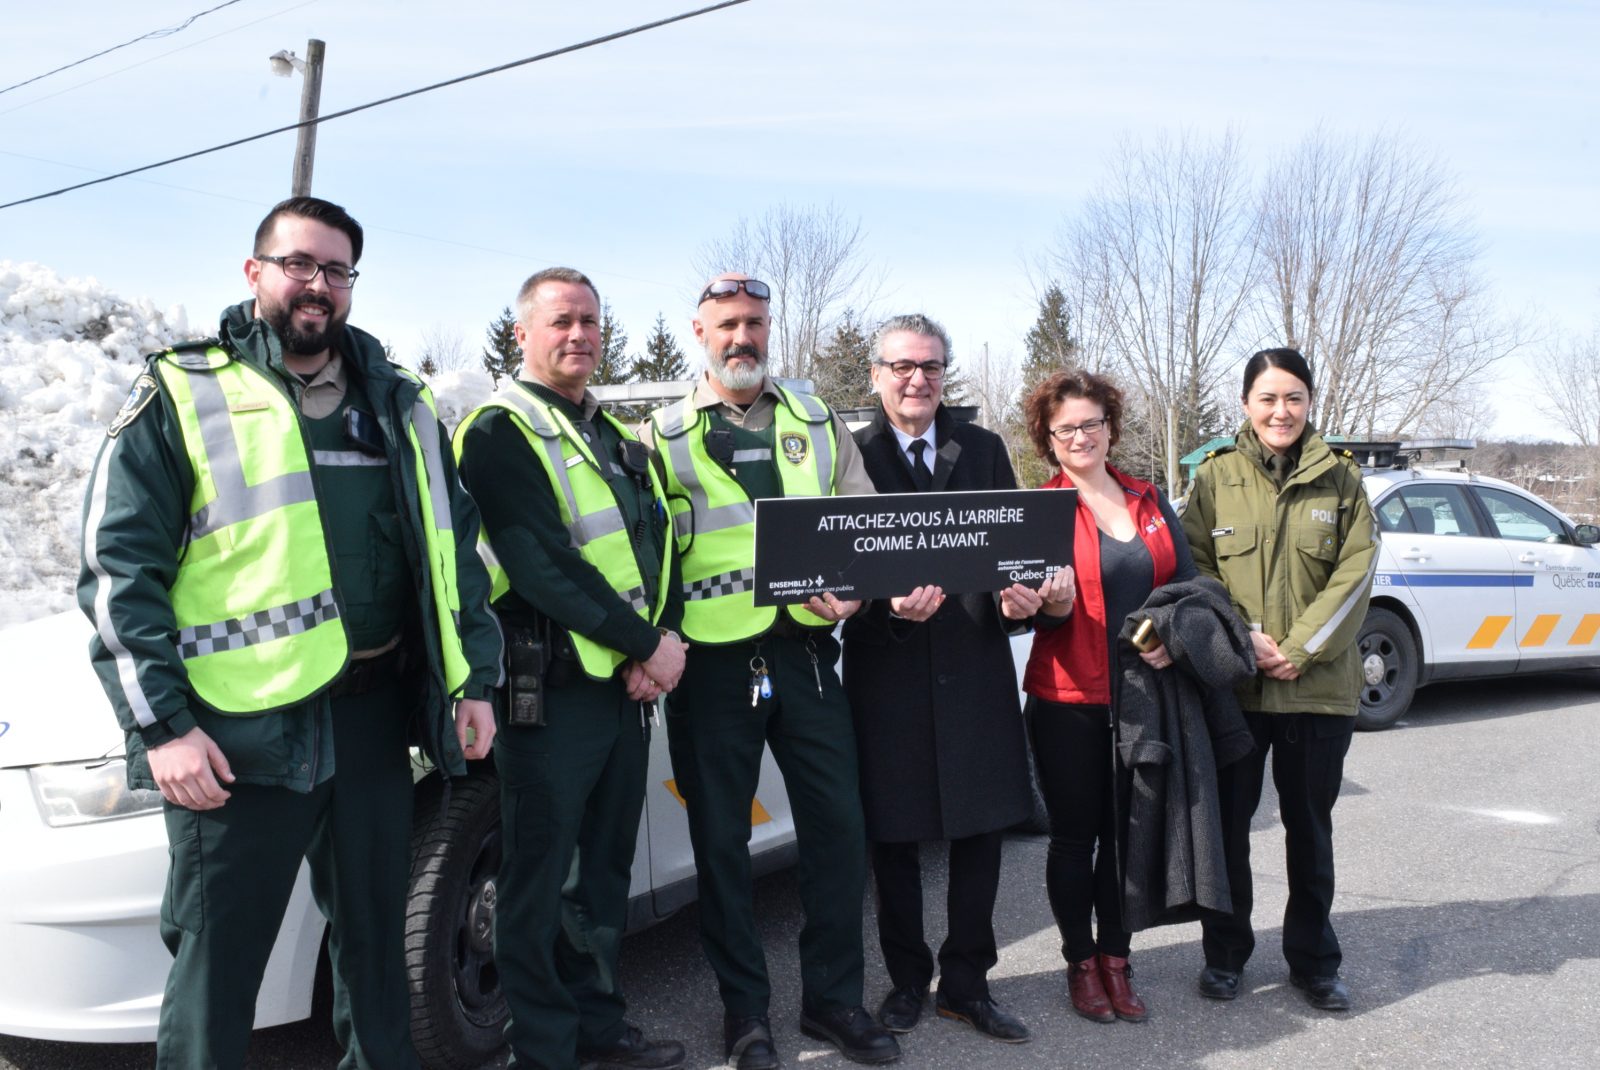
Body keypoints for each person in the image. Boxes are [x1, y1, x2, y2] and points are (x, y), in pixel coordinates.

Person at [77, 196, 502, 1070]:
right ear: (256, 272)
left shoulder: (399, 404)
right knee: (218, 964)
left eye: (337, 270)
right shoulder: (183, 394)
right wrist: (162, 727)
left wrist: (474, 680)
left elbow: (455, 554)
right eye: (299, 264)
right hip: (240, 730)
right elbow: (118, 574)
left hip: (374, 719)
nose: (318, 285)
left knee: (382, 949)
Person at [639, 274, 900, 1069]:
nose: (742, 337)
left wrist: (853, 592)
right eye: (726, 324)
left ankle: (834, 1003)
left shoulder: (817, 420)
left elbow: (860, 521)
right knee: (722, 842)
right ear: (700, 331)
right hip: (713, 667)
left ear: (769, 327)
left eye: (754, 322)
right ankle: (744, 1013)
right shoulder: (661, 436)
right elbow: (646, 557)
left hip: (809, 654)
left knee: (838, 830)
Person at [454, 268, 688, 1070]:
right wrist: (645, 644)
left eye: (590, 320)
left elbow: (657, 548)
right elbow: (539, 564)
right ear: (522, 333)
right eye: (560, 320)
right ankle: (547, 1050)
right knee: (539, 880)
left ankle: (599, 1029)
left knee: (602, 878)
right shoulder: (496, 430)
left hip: (621, 688)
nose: (579, 334)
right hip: (547, 695)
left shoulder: (609, 434)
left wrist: (661, 644)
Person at [841, 314, 1033, 1044]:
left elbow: (1008, 552)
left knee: (981, 835)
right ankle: (905, 982)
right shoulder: (851, 457)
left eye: (930, 367)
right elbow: (842, 579)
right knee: (893, 839)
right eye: (902, 367)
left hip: (974, 671)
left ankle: (967, 984)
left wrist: (1019, 602)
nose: (917, 379)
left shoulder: (981, 449)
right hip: (887, 676)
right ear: (876, 375)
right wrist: (887, 611)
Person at [1182, 347, 1377, 1011]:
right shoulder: (1216, 477)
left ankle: (1314, 963)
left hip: (1317, 690)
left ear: (1310, 402)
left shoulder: (1341, 480)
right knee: (1229, 828)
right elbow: (1195, 569)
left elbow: (1357, 575)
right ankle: (1227, 955)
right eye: (1267, 398)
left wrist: (1299, 648)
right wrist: (1244, 640)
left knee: (1309, 828)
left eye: (1293, 397)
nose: (1280, 410)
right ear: (1246, 404)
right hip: (1237, 688)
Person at [1005, 369, 1196, 1026]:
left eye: (1091, 423)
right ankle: (1081, 965)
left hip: (1148, 697)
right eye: (1066, 429)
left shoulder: (1149, 499)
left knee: (1128, 839)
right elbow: (1031, 615)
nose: (1080, 436)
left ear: (1110, 427)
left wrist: (1171, 635)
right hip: (1067, 700)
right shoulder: (1042, 512)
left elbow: (1188, 588)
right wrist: (1049, 609)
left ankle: (1118, 959)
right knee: (1074, 840)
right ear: (1048, 441)